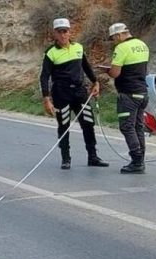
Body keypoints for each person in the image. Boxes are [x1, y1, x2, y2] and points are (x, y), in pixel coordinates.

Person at [39, 18, 108, 170]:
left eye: (66, 31)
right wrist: (46, 99)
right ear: (55, 34)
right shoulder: (51, 53)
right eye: (60, 32)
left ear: (70, 32)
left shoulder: (78, 48)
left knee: (88, 123)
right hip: (61, 93)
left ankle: (93, 156)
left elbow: (86, 66)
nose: (63, 35)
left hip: (79, 92)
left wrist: (95, 82)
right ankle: (65, 158)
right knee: (63, 125)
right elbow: (44, 77)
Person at [102, 23, 150, 174]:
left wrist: (107, 71)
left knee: (127, 127)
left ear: (118, 35)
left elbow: (115, 73)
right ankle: (140, 159)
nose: (113, 41)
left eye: (113, 38)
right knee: (138, 127)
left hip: (128, 94)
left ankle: (136, 161)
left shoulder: (121, 48)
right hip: (142, 93)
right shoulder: (142, 45)